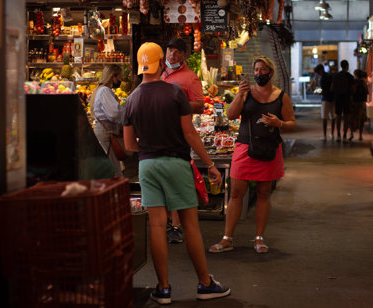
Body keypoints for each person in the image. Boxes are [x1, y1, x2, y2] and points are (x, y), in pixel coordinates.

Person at [123, 42, 230, 304]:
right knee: (190, 225)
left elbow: (128, 145)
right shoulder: (174, 93)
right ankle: (204, 284)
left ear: (140, 66)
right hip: (176, 162)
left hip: (147, 166)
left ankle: (163, 289)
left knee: (158, 226)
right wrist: (212, 165)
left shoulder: (132, 99)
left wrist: (148, 148)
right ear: (161, 63)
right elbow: (190, 133)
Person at [209, 56, 295, 254]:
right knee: (236, 193)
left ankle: (259, 238)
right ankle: (227, 238)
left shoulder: (281, 96)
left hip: (269, 149)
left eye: (262, 70)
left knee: (264, 193)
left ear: (271, 72)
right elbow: (230, 116)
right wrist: (240, 95)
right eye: (256, 70)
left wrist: (279, 124)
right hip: (245, 147)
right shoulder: (246, 93)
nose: (258, 73)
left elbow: (291, 122)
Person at [162, 37, 204, 244]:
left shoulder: (190, 77)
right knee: (162, 182)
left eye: (177, 52)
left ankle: (176, 225)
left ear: (184, 55)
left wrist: (176, 103)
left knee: (175, 182)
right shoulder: (158, 73)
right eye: (169, 50)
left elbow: (199, 105)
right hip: (159, 134)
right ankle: (167, 223)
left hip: (179, 136)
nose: (172, 55)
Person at [89, 64, 126, 177]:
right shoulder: (105, 90)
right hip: (106, 132)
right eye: (119, 76)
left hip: (103, 131)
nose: (120, 80)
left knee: (111, 166)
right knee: (113, 169)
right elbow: (114, 114)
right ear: (112, 76)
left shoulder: (98, 89)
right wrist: (125, 111)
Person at [331, 59, 354, 142]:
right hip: (347, 98)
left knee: (338, 116)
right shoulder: (350, 77)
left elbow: (332, 88)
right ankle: (344, 135)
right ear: (347, 66)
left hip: (338, 98)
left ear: (341, 66)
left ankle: (338, 135)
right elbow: (353, 89)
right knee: (346, 117)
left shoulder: (336, 76)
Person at [313, 64, 335, 142]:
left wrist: (319, 93)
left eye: (318, 72)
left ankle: (324, 135)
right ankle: (332, 134)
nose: (318, 74)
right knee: (333, 117)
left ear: (320, 70)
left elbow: (324, 90)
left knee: (324, 118)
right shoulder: (331, 76)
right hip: (333, 99)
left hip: (325, 99)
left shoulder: (323, 78)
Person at [348, 69, 369, 142]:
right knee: (361, 119)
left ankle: (351, 134)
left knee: (352, 118)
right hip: (362, 103)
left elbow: (351, 92)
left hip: (354, 103)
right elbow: (367, 92)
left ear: (356, 75)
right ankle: (360, 135)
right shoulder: (364, 83)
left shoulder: (354, 83)